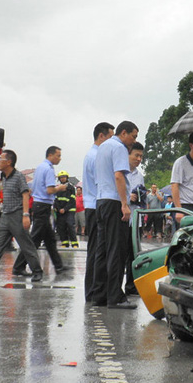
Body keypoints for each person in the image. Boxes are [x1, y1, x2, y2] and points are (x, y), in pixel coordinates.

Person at [0, 150, 44, 282]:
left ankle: (37, 271)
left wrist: (25, 215)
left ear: (9, 162)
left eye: (1, 159)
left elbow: (25, 194)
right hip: (6, 216)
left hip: (17, 215)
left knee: (26, 246)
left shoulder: (18, 177)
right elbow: (1, 189)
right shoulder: (4, 177)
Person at [93, 120, 139, 309]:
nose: (133, 141)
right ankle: (115, 297)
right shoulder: (119, 147)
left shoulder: (102, 147)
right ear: (124, 133)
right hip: (114, 202)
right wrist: (124, 204)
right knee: (116, 252)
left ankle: (100, 295)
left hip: (101, 201)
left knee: (102, 251)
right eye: (133, 137)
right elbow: (119, 176)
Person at [13, 146, 69, 275]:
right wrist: (59, 188)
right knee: (34, 240)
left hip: (39, 205)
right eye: (58, 155)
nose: (59, 158)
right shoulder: (49, 169)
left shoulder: (39, 168)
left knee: (49, 239)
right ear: (50, 155)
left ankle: (58, 265)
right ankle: (18, 266)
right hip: (43, 205)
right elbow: (50, 190)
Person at [83, 122, 115, 304]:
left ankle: (93, 292)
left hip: (93, 205)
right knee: (96, 252)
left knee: (95, 252)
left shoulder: (93, 154)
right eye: (110, 137)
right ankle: (93, 293)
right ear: (101, 136)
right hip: (96, 206)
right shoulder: (96, 157)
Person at [123, 142, 145, 296]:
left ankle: (131, 287)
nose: (139, 159)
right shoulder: (120, 173)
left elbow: (142, 196)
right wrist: (127, 197)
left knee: (133, 255)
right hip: (122, 218)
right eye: (136, 155)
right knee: (120, 254)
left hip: (135, 220)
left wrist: (140, 198)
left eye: (141, 156)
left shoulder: (139, 176)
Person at [53, 170, 78, 248]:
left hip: (69, 210)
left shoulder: (71, 187)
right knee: (61, 226)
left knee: (70, 225)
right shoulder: (57, 188)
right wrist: (59, 208)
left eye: (64, 177)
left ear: (67, 178)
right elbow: (55, 200)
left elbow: (72, 199)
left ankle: (74, 243)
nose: (62, 179)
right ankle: (65, 242)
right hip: (60, 211)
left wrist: (65, 209)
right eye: (61, 177)